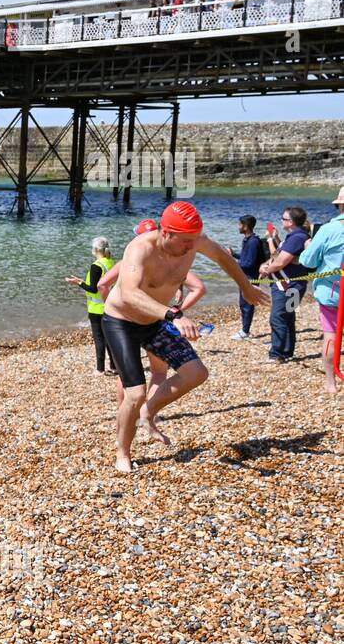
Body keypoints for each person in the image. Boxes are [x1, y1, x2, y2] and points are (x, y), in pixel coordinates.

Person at [101, 201, 269, 473]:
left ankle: (147, 413)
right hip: (122, 321)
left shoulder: (193, 240)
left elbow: (224, 258)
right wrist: (174, 316)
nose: (192, 248)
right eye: (185, 242)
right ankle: (123, 452)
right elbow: (131, 293)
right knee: (134, 392)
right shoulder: (141, 248)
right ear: (166, 232)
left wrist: (246, 286)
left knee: (196, 372)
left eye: (195, 240)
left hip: (155, 320)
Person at [298, 187, 344, 393]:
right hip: (334, 290)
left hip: (333, 291)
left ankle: (331, 383)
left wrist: (308, 245)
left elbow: (307, 261)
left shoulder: (328, 229)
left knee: (331, 336)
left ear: (339, 205)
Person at [260, 205, 312, 363]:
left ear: (291, 222)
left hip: (288, 284)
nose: (281, 221)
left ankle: (277, 353)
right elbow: (279, 255)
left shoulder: (297, 237)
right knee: (288, 316)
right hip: (295, 284)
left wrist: (266, 270)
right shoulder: (296, 237)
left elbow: (281, 261)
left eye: (284, 218)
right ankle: (287, 352)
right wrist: (267, 262)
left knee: (278, 317)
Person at [65, 237, 117, 376]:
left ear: (95, 250)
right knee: (109, 338)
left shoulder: (96, 266)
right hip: (110, 305)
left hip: (96, 308)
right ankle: (114, 366)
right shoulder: (111, 262)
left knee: (99, 338)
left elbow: (93, 289)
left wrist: (78, 283)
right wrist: (82, 281)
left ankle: (100, 369)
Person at [231, 215, 268, 339]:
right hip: (244, 276)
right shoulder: (247, 240)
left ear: (246, 227)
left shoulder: (253, 242)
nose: (238, 227)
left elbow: (250, 262)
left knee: (247, 304)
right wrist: (233, 255)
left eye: (240, 225)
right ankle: (244, 329)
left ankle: (245, 332)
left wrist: (233, 265)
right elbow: (245, 257)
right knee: (243, 304)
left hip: (251, 277)